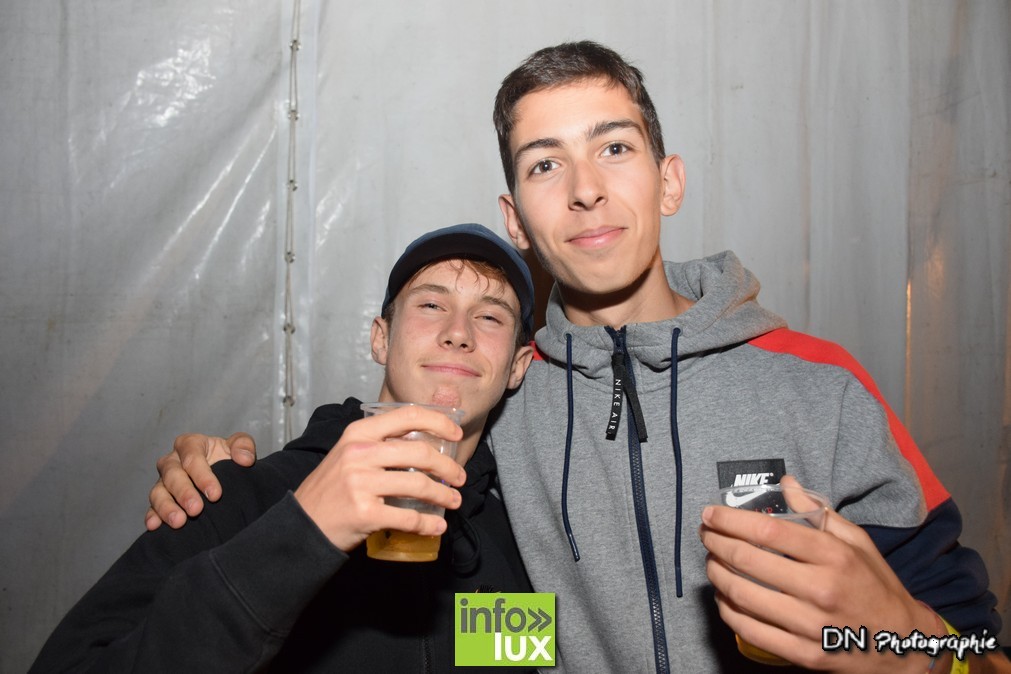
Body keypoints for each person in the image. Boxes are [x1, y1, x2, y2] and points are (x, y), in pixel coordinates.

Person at [148, 43, 1008, 673]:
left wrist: (903, 645)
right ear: (515, 219)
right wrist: (228, 479)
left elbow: (980, 650)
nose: (585, 188)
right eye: (544, 164)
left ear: (668, 181)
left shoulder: (817, 383)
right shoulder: (499, 403)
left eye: (614, 148)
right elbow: (468, 598)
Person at [30, 224, 537, 673]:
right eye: (431, 305)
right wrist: (300, 536)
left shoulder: (522, 543)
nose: (457, 333)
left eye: (490, 317)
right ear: (380, 339)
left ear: (517, 367)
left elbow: (519, 661)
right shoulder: (233, 498)